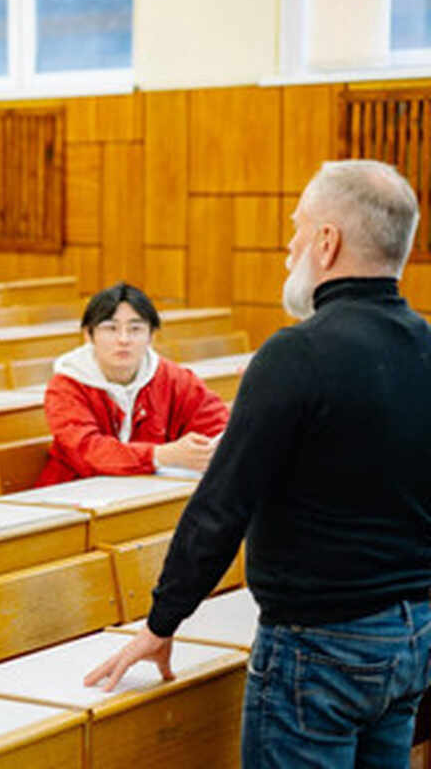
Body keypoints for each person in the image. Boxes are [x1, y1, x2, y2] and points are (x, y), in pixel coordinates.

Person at [85, 160, 431, 768]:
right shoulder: (426, 346)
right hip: (413, 635)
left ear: (327, 242)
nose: (289, 247)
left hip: (319, 645)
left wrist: (161, 623)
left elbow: (222, 506)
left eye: (298, 229)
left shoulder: (297, 353)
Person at [36, 282, 229, 486]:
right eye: (111, 328)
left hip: (146, 490)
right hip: (75, 490)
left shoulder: (174, 378)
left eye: (135, 329)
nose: (123, 339)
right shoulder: (66, 386)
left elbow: (217, 426)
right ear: (88, 335)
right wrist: (160, 455)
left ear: (151, 336)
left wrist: (205, 451)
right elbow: (87, 451)